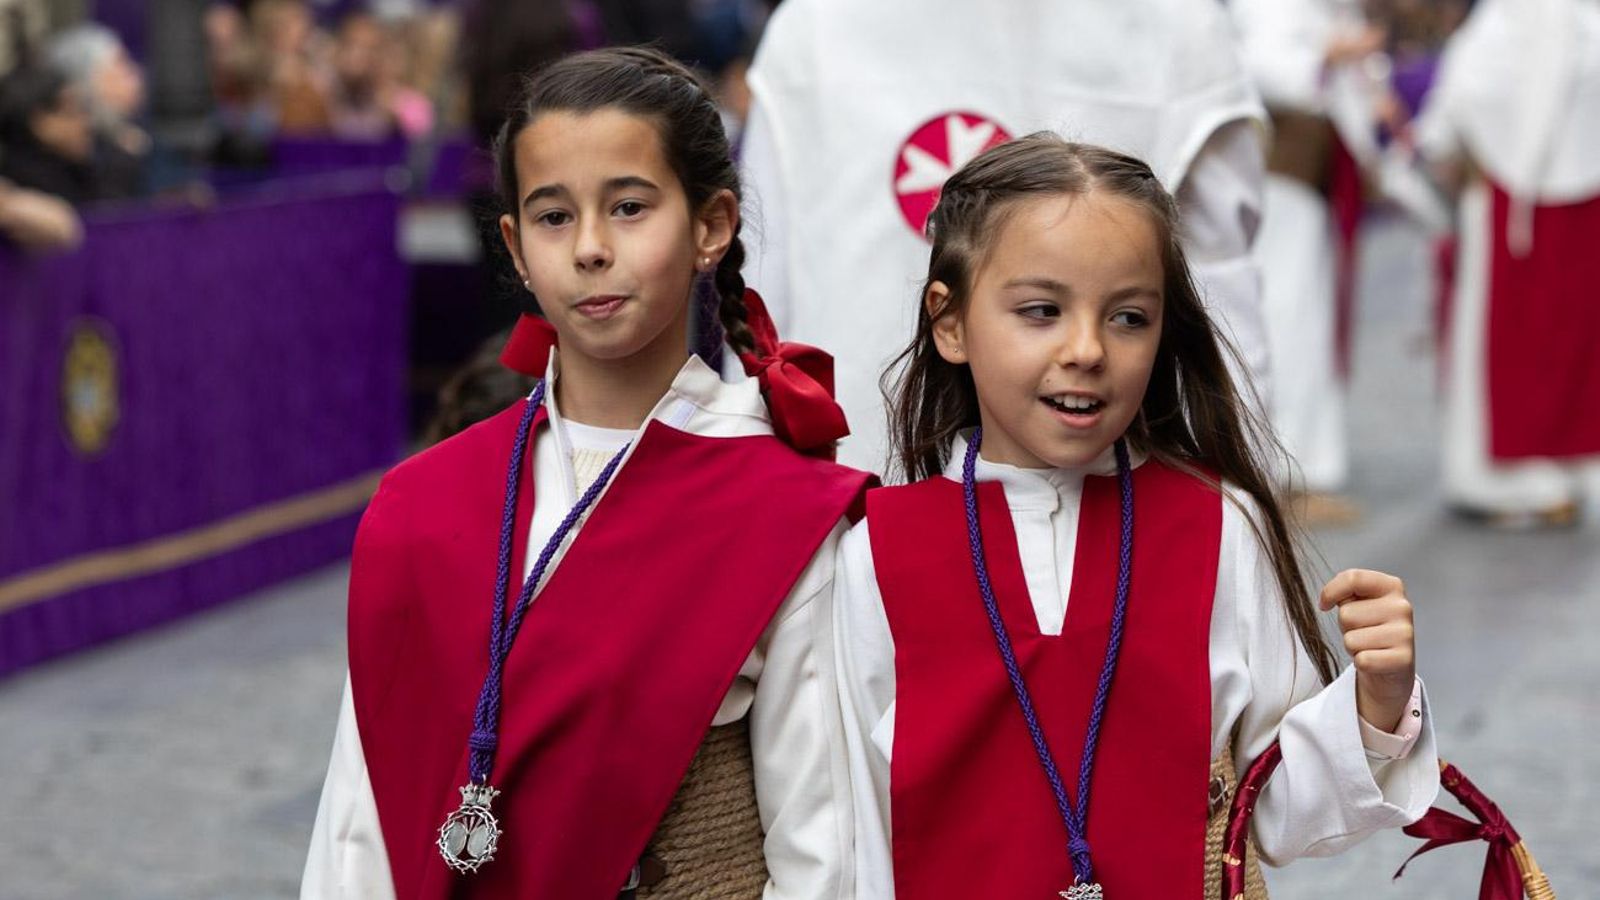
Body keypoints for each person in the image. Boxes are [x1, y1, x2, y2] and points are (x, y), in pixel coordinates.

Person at [302, 47, 869, 899]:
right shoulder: (424, 503)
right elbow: (359, 821)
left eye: (631, 207)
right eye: (554, 217)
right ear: (516, 246)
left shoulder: (785, 511)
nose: (592, 248)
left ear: (711, 225)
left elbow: (824, 845)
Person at [834, 135, 1439, 896]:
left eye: (1127, 318)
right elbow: (852, 837)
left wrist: (1376, 701)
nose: (1087, 349)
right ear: (949, 322)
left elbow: (1276, 810)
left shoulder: (1218, 524)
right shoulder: (879, 552)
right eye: (1041, 310)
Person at [738, 0, 1271, 472]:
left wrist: (1234, 509)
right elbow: (760, 289)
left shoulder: (1179, 26)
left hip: (1117, 492)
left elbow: (1220, 300)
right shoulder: (817, 27)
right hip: (852, 469)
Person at [1411, 0, 1600, 527]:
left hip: (1512, 200)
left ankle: (1520, 478)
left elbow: (1464, 99)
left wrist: (1444, 147)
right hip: (1534, 200)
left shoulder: (1514, 21)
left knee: (1524, 341)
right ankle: (1526, 478)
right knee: (1533, 341)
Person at [1228, 0, 1406, 524]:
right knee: (1288, 319)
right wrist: (1337, 50)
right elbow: (1265, 67)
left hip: (1307, 175)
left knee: (1304, 321)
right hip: (1284, 174)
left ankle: (1295, 465)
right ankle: (1282, 470)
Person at [46, 23, 150, 199]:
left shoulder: (137, 137)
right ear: (84, 81)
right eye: (121, 66)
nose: (136, 74)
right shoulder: (79, 151)